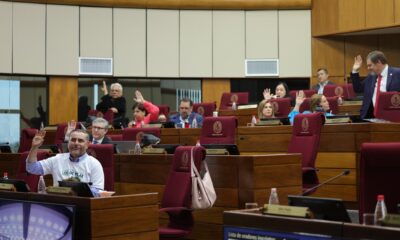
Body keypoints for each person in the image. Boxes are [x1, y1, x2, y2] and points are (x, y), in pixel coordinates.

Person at [26, 129, 104, 196]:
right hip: (59, 204)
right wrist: (34, 147)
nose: (76, 143)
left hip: (82, 206)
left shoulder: (94, 164)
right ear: (68, 142)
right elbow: (32, 168)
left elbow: (98, 192)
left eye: (80, 141)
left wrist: (74, 191)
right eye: (73, 140)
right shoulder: (58, 159)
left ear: (87, 144)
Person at [351, 50, 400, 119]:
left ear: (378, 62)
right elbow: (358, 89)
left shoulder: (397, 74)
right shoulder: (371, 76)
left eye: (370, 65)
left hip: (392, 118)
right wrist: (355, 70)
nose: (368, 68)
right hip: (371, 117)